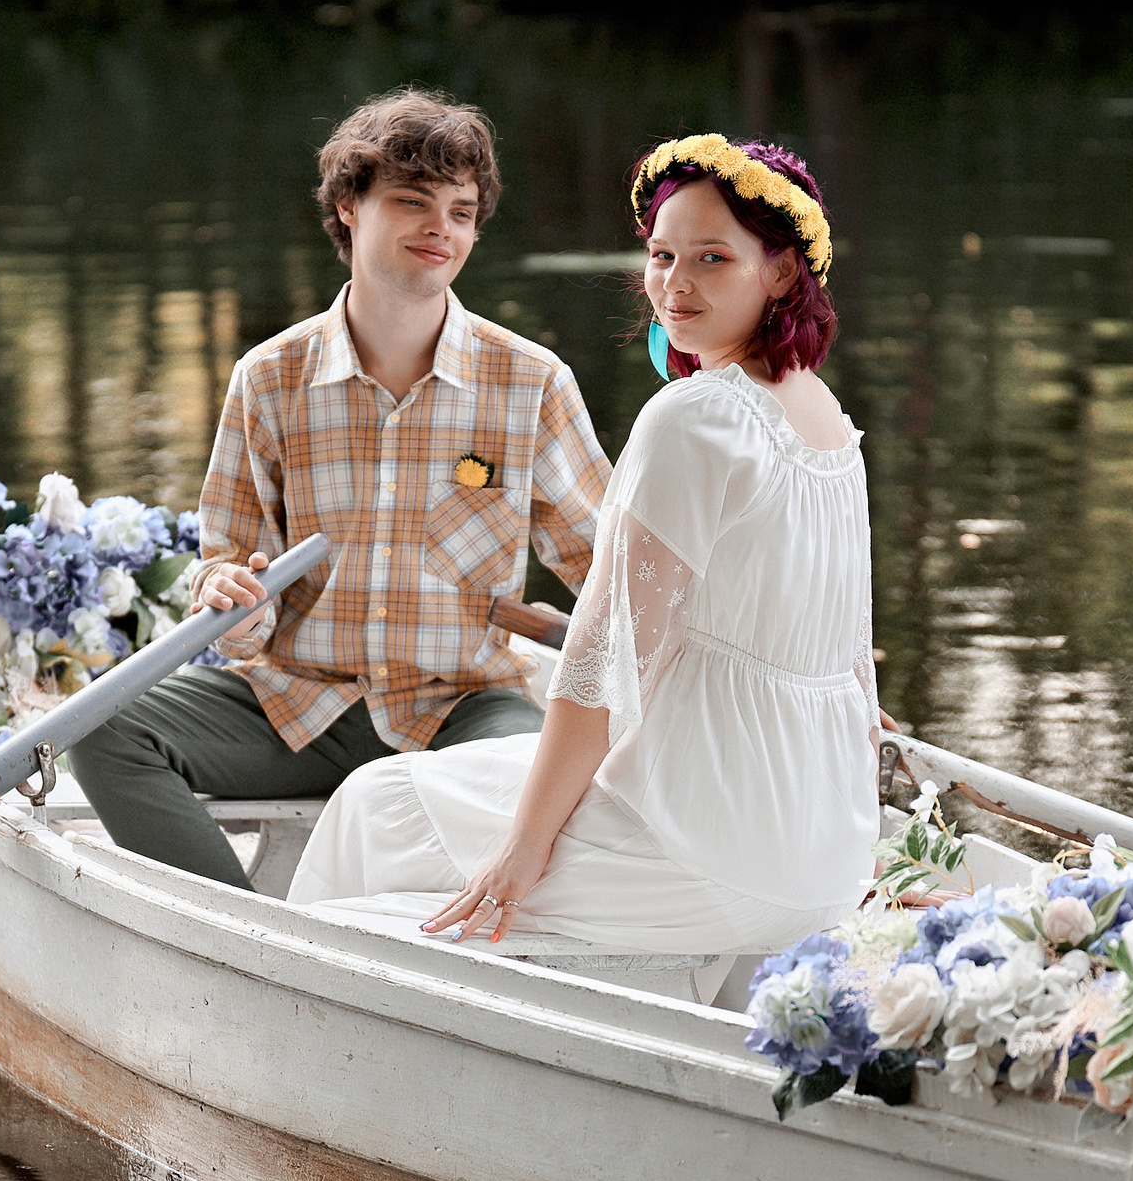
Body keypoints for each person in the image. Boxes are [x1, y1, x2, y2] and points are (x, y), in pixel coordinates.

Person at [289, 136, 879, 957]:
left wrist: (526, 845)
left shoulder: (694, 417)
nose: (675, 284)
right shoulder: (827, 418)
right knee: (430, 792)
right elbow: (855, 669)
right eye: (663, 255)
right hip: (824, 846)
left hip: (707, 843)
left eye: (712, 258)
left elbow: (602, 663)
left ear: (781, 272)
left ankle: (316, 1005)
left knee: (373, 802)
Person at [68, 88, 610, 889]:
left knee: (544, 776)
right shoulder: (269, 378)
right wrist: (229, 594)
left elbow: (610, 573)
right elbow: (227, 567)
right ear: (350, 207)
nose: (442, 228)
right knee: (100, 727)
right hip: (296, 706)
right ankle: (239, 935)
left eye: (462, 212)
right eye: (414, 201)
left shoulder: (531, 383)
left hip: (462, 707)